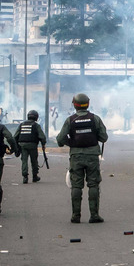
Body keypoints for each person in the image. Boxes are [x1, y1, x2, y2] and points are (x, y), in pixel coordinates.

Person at [56, 93, 109, 223]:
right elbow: (104, 137)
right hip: (92, 156)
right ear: (88, 104)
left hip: (76, 156)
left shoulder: (70, 120)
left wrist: (73, 143)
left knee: (76, 186)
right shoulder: (95, 119)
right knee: (93, 184)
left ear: (74, 105)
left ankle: (76, 216)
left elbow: (60, 139)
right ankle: (94, 215)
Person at [14, 110, 47, 184]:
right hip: (32, 145)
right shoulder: (36, 125)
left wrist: (16, 147)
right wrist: (43, 144)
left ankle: (25, 177)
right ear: (36, 117)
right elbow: (42, 137)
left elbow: (15, 136)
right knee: (34, 161)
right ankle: (35, 176)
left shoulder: (22, 124)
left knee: (24, 161)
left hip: (22, 145)